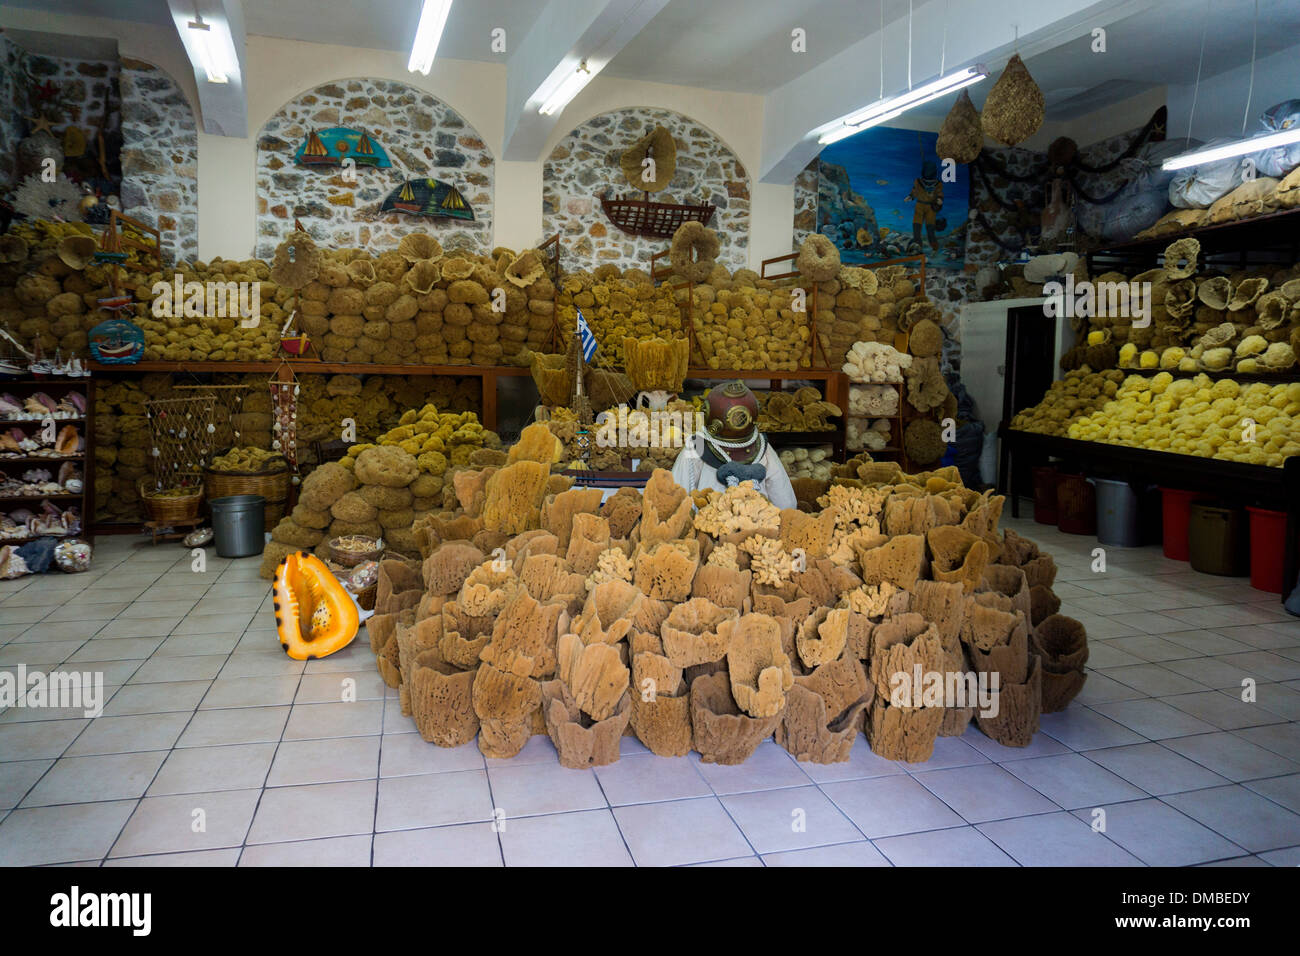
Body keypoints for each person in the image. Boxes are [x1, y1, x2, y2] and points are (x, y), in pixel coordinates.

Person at [671, 380, 797, 509]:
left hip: (711, 519)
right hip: (756, 520)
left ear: (707, 412)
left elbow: (676, 495)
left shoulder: (698, 445)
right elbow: (785, 502)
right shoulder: (761, 447)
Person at [905, 160, 944, 251]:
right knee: (917, 226)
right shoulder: (918, 182)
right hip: (920, 205)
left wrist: (940, 199)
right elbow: (915, 190)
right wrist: (911, 196)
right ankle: (917, 244)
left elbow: (939, 193)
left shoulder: (938, 184)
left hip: (930, 207)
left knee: (930, 227)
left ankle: (933, 245)